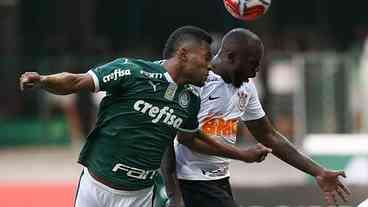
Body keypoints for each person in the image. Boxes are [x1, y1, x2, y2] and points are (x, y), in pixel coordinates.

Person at [19, 26, 272, 207]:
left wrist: (241, 155)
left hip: (139, 196)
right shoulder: (132, 71)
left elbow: (190, 139)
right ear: (183, 54)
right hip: (95, 187)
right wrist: (42, 80)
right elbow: (76, 81)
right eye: (206, 58)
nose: (210, 65)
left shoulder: (191, 99)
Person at [162, 28, 351, 207]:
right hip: (189, 180)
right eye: (252, 63)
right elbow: (185, 138)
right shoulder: (196, 82)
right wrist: (174, 193)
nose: (256, 70)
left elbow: (269, 135)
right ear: (231, 57)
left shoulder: (247, 88)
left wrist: (317, 171)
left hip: (218, 180)